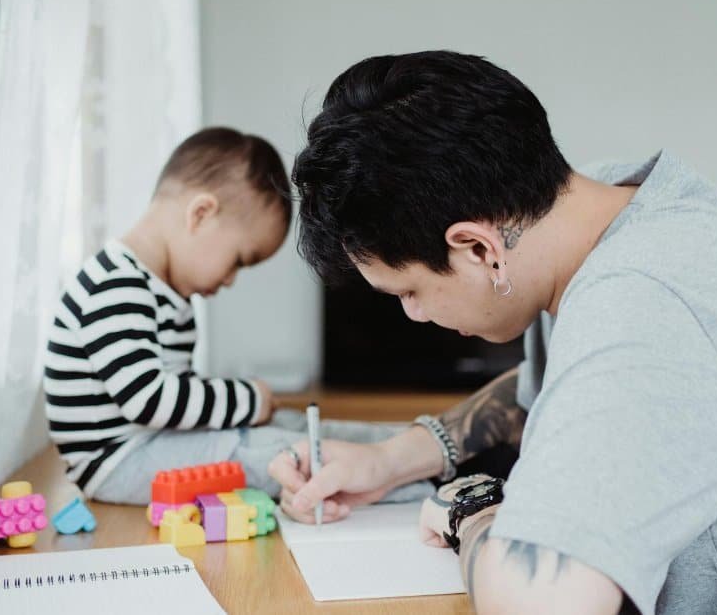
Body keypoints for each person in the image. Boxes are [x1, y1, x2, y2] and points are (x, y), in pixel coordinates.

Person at [271, 51, 717, 614]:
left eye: (408, 291)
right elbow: (577, 388)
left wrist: (474, 508)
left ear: (476, 247)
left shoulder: (641, 310)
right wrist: (396, 459)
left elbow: (545, 606)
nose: (412, 315)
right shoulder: (598, 208)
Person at [43, 126, 431, 505]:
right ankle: (422, 485)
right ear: (201, 214)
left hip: (149, 442)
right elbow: (149, 399)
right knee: (279, 452)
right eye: (238, 261)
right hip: (117, 461)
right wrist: (246, 398)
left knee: (296, 427)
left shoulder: (160, 290)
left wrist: (248, 407)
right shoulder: (116, 285)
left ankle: (406, 451)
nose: (229, 280)